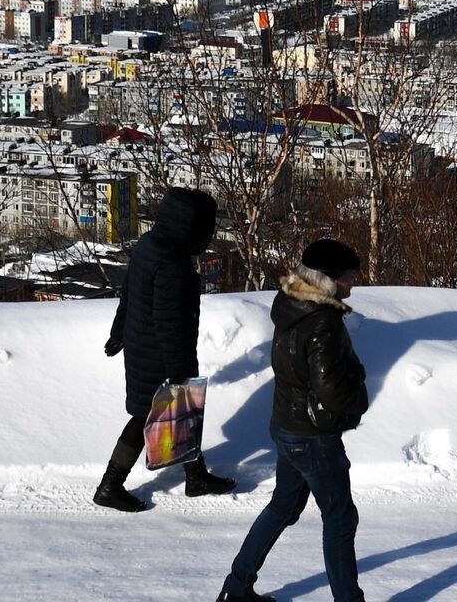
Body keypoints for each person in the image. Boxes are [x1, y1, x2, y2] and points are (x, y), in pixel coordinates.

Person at [218, 238, 370, 602]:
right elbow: (328, 384)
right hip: (314, 436)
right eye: (349, 277)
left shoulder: (290, 303)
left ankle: (236, 589)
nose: (353, 285)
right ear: (330, 279)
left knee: (282, 508)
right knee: (339, 520)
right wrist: (358, 401)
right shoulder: (323, 321)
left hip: (287, 426)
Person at [96, 186, 237, 512]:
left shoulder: (150, 245)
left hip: (141, 344)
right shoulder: (174, 265)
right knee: (160, 412)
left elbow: (128, 291)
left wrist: (119, 332)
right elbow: (171, 323)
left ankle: (195, 476)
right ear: (191, 227)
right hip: (161, 353)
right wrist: (179, 373)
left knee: (172, 413)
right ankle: (110, 485)